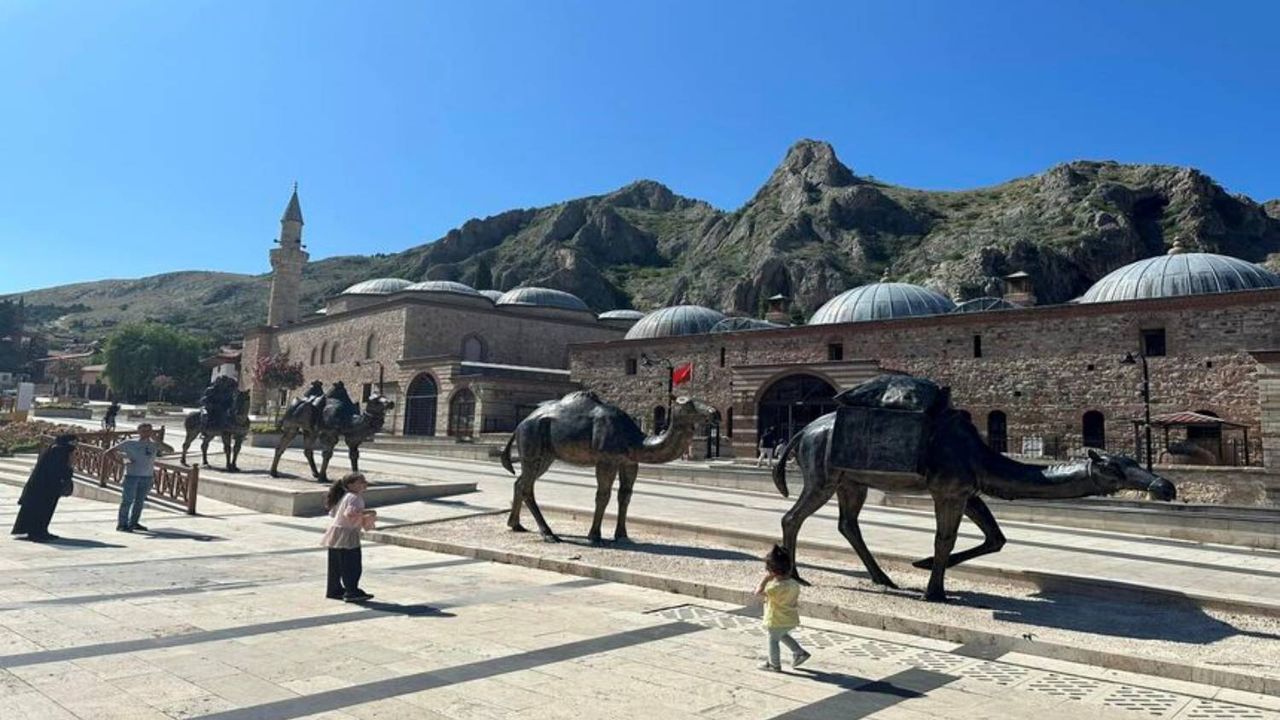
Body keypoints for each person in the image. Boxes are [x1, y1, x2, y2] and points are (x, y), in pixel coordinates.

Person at [322, 472, 377, 602]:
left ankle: (334, 590)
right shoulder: (354, 497)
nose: (365, 483)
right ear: (350, 485)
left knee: (336, 564)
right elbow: (350, 513)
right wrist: (370, 512)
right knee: (352, 564)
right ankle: (352, 591)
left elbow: (333, 513)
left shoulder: (345, 496)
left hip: (336, 533)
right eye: (361, 481)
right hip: (347, 533)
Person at [107, 424, 173, 532]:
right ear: (138, 432)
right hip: (132, 476)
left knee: (139, 502)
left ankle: (134, 523)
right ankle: (122, 524)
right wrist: (122, 462)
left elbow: (170, 450)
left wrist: (157, 440)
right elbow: (109, 452)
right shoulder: (130, 443)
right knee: (127, 501)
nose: (146, 433)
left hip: (147, 476)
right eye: (143, 431)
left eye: (148, 431)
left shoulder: (154, 445)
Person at [11, 434, 76, 542]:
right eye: (73, 442)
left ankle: (41, 531)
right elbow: (57, 470)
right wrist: (67, 474)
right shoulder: (59, 450)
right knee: (40, 509)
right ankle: (36, 532)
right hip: (44, 487)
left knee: (45, 510)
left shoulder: (58, 449)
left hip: (46, 486)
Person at [755, 545, 810, 672]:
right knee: (782, 635)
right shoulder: (794, 584)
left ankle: (774, 664)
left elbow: (758, 592)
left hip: (775, 620)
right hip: (790, 618)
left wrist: (765, 579)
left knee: (773, 641)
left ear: (772, 571)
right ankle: (799, 652)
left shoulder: (774, 588)